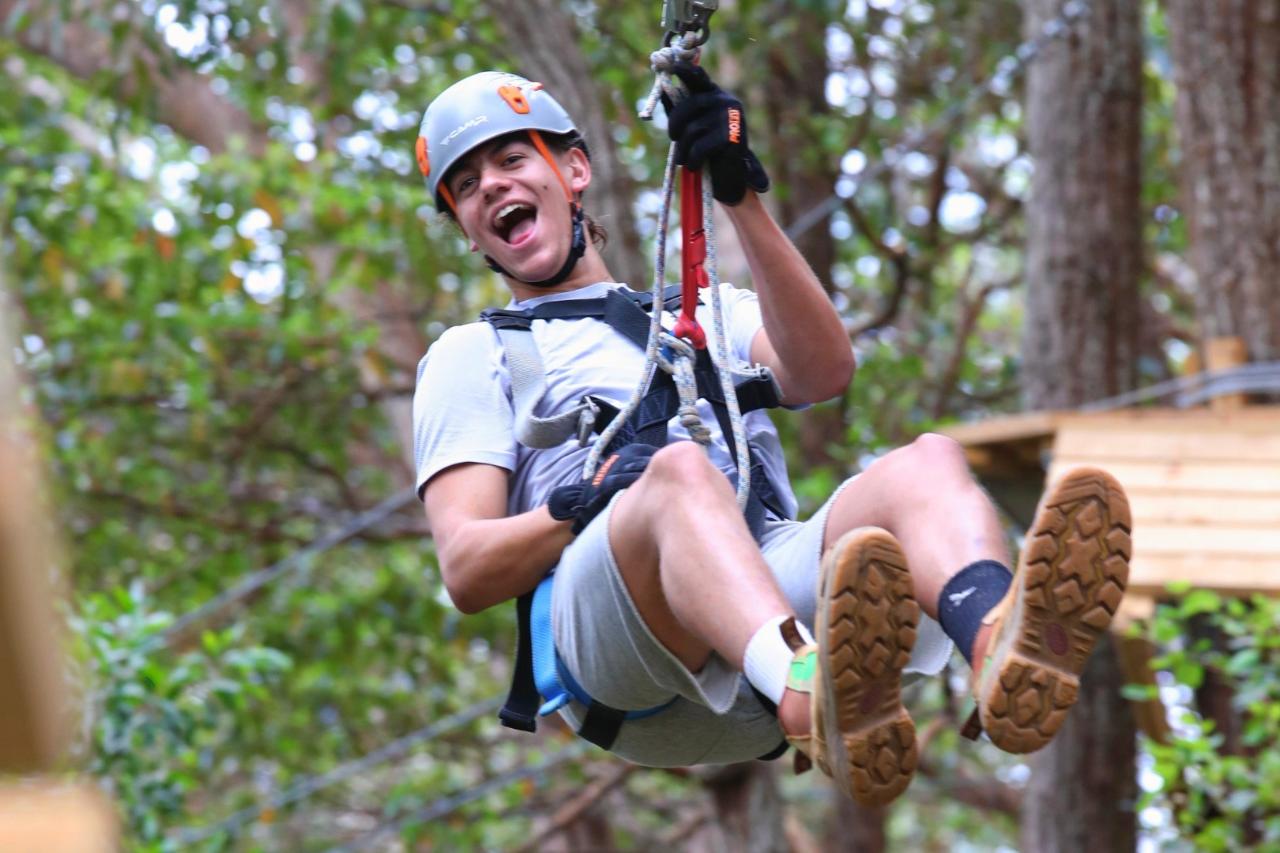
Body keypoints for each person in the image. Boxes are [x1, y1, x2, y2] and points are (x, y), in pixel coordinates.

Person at [411, 66, 1132, 807]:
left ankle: (999, 644)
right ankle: (806, 690)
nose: (491, 187)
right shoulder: (476, 353)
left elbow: (822, 370)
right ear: (468, 232)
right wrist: (582, 498)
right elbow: (466, 567)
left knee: (929, 461)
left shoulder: (699, 308)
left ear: (573, 170)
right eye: (466, 186)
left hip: (757, 593)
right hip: (621, 660)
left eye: (510, 160)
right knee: (680, 471)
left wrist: (737, 195)